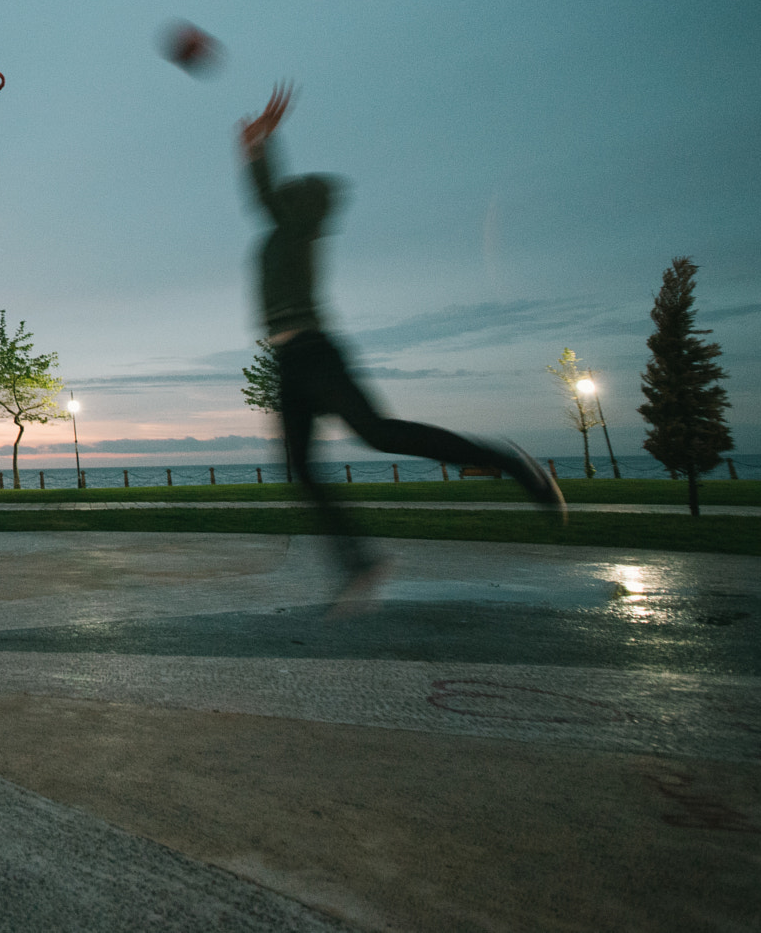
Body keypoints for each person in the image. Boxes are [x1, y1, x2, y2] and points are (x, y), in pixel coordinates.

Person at [240, 83, 565, 612]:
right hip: (289, 360)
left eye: (295, 192)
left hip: (313, 353)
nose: (286, 195)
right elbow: (265, 198)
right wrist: (255, 150)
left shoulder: (296, 227)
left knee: (379, 435)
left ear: (305, 205)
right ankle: (358, 564)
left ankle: (509, 462)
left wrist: (260, 148)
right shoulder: (282, 234)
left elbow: (266, 195)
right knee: (301, 467)